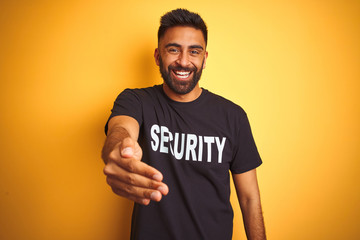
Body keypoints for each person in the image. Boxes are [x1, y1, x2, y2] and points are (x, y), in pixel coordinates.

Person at [102, 8, 266, 240]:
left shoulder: (233, 116)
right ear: (158, 56)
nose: (183, 61)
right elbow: (120, 130)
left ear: (204, 59)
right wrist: (119, 149)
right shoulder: (136, 101)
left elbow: (250, 200)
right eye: (173, 50)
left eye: (194, 52)